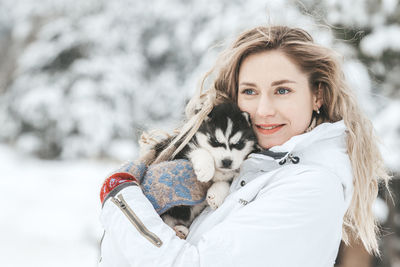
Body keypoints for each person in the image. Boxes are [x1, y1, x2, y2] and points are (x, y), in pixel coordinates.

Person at [98, 25, 390, 267]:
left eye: (282, 90)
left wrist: (121, 198)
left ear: (318, 97)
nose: (263, 109)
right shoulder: (256, 169)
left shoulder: (310, 187)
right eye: (249, 91)